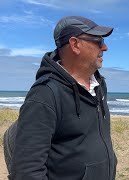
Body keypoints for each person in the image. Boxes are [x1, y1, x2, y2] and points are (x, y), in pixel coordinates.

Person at [9, 16, 117, 180]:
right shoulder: (45, 94)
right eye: (98, 41)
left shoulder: (99, 85)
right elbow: (27, 170)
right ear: (75, 45)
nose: (105, 47)